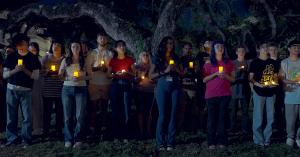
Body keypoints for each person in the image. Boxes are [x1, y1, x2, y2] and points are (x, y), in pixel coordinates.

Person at [2, 34, 41, 148]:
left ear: (26, 43)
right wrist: (15, 70)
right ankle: (12, 138)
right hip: (11, 89)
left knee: (27, 117)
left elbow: (36, 76)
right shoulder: (11, 57)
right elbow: (4, 75)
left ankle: (26, 139)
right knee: (11, 116)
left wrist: (24, 70)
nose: (22, 46)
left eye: (23, 43)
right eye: (19, 44)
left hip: (26, 90)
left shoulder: (33, 58)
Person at [149, 36, 182, 151]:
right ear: (164, 45)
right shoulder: (157, 57)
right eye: (168, 43)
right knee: (162, 115)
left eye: (172, 43)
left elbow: (181, 72)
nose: (170, 45)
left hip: (175, 86)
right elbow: (151, 75)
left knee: (173, 115)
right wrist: (165, 71)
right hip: (162, 86)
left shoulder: (176, 57)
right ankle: (160, 142)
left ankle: (170, 142)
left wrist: (177, 70)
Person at [203, 41, 235, 149]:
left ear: (224, 49)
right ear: (213, 49)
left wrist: (225, 75)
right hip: (211, 95)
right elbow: (204, 79)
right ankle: (211, 142)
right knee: (212, 119)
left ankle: (222, 141)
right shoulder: (208, 63)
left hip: (225, 94)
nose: (220, 48)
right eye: (217, 47)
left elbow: (233, 79)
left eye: (222, 46)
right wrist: (215, 74)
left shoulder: (229, 63)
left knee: (222, 118)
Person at [58, 39, 91, 148]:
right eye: (73, 47)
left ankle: (79, 139)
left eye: (77, 47)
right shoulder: (65, 60)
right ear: (70, 49)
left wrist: (81, 77)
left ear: (80, 48)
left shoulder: (84, 60)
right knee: (67, 116)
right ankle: (68, 139)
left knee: (80, 115)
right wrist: (69, 77)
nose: (75, 49)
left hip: (81, 89)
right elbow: (60, 76)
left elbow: (90, 76)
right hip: (67, 89)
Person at [249, 42, 280, 147]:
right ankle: (258, 139)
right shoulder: (254, 62)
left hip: (271, 92)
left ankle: (267, 138)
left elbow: (275, 76)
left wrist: (274, 84)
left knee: (270, 117)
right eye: (263, 48)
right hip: (259, 92)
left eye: (267, 48)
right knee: (258, 117)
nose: (266, 49)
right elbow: (251, 78)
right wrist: (258, 85)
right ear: (259, 49)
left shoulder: (273, 62)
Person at [86, 33, 113, 137]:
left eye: (104, 38)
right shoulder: (92, 53)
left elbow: (111, 68)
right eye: (100, 38)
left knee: (104, 107)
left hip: (106, 82)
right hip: (94, 82)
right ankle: (92, 127)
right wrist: (96, 68)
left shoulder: (110, 53)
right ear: (97, 40)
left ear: (106, 40)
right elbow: (88, 67)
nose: (102, 39)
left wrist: (106, 69)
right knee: (93, 107)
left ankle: (103, 127)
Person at [108, 40, 135, 141]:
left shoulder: (130, 60)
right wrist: (116, 74)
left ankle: (126, 134)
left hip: (126, 84)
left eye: (123, 45)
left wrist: (127, 72)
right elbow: (108, 75)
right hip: (115, 84)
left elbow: (134, 74)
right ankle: (116, 134)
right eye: (119, 46)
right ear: (115, 48)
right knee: (115, 109)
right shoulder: (113, 60)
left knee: (126, 109)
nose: (122, 47)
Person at [41, 38, 65, 139]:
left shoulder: (64, 59)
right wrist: (48, 72)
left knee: (60, 111)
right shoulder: (46, 57)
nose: (56, 46)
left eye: (58, 45)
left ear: (62, 48)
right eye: (54, 44)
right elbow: (40, 71)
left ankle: (59, 130)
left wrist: (60, 75)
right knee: (47, 111)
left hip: (60, 88)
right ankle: (46, 131)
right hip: (48, 89)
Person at [279, 40, 300, 148]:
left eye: (298, 48)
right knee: (290, 119)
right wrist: (293, 82)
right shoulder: (284, 62)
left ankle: (298, 137)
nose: (297, 49)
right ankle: (290, 137)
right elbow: (281, 78)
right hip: (290, 96)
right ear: (289, 49)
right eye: (294, 47)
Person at [229, 45, 250, 138]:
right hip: (234, 89)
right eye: (239, 51)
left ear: (245, 52)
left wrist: (246, 71)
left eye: (243, 51)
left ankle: (245, 128)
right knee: (233, 110)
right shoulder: (232, 63)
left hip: (245, 89)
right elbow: (230, 76)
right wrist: (238, 71)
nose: (241, 53)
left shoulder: (248, 62)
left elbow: (251, 75)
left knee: (245, 110)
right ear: (236, 52)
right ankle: (232, 128)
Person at [134, 51, 155, 139]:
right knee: (141, 111)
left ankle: (148, 130)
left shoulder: (153, 66)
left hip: (150, 91)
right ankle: (141, 131)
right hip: (140, 91)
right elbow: (134, 80)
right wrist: (139, 77)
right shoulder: (137, 67)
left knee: (149, 111)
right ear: (140, 57)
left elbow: (156, 78)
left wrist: (153, 80)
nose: (145, 56)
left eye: (147, 55)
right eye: (143, 55)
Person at [268, 42, 285, 136]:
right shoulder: (265, 61)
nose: (273, 51)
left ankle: (279, 128)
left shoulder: (282, 62)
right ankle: (269, 128)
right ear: (268, 51)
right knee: (269, 109)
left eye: (274, 49)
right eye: (271, 50)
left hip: (279, 89)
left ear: (277, 50)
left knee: (279, 109)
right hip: (268, 89)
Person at [29, 42, 44, 134]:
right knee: (28, 106)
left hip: (37, 84)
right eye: (30, 50)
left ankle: (38, 126)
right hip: (27, 84)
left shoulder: (39, 59)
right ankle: (30, 125)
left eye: (34, 50)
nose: (32, 52)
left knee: (37, 105)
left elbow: (42, 70)